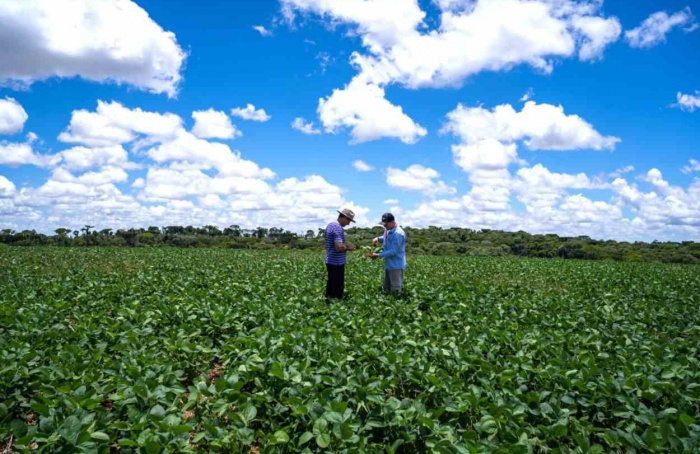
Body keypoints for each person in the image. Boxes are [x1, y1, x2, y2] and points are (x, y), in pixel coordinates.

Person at [367, 212, 406, 294]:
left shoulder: (398, 234)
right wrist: (378, 238)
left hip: (396, 265)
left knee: (395, 289)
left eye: (386, 224)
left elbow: (393, 251)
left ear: (392, 222)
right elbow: (385, 238)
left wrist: (378, 255)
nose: (384, 226)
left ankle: (397, 306)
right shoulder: (388, 229)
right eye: (383, 224)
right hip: (388, 264)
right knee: (387, 288)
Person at [324, 208, 358, 301]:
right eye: (349, 221)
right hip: (336, 262)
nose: (348, 224)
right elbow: (339, 247)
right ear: (345, 218)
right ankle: (335, 305)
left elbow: (327, 245)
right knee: (337, 285)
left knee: (331, 283)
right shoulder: (337, 228)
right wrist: (348, 248)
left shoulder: (330, 225)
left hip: (330, 259)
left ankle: (328, 301)